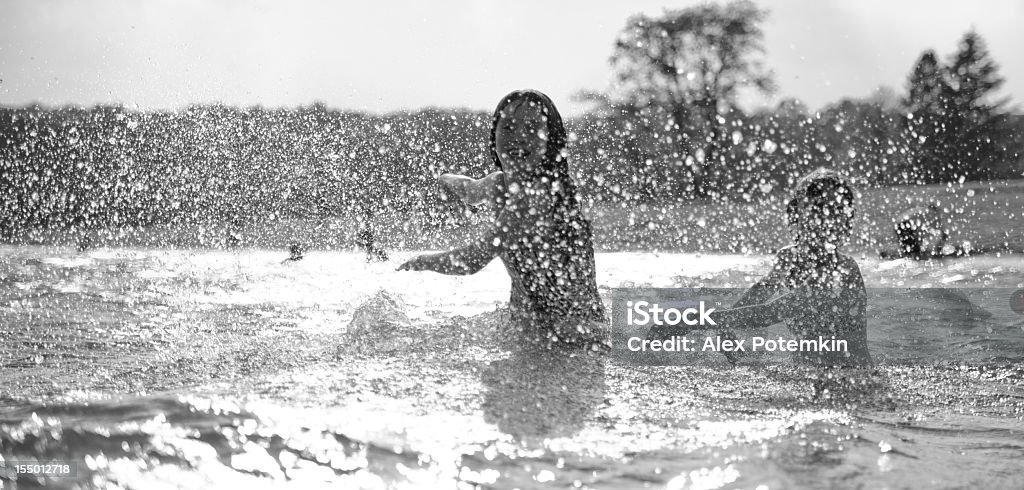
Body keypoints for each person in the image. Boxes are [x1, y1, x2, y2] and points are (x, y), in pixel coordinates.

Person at [398, 89, 607, 351]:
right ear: (494, 136)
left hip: (578, 336)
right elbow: (469, 190)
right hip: (535, 332)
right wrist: (442, 179)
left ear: (550, 140)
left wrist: (421, 260)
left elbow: (471, 261)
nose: (518, 137)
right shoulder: (498, 184)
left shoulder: (538, 196)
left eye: (532, 128)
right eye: (507, 127)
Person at [660, 168, 873, 367]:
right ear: (796, 213)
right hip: (809, 373)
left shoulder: (843, 272)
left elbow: (769, 313)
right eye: (817, 209)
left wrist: (692, 320)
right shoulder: (788, 258)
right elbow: (762, 290)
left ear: (846, 222)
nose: (824, 219)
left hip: (851, 377)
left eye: (835, 212)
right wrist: (727, 322)